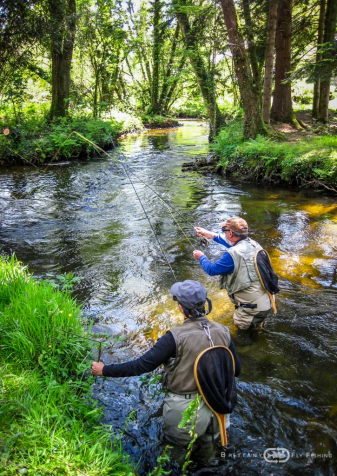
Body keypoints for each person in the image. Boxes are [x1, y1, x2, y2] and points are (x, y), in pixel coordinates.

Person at [91, 280, 240, 446]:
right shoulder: (224, 331)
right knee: (209, 453)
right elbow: (236, 370)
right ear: (205, 303)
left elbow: (142, 365)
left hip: (185, 410)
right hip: (220, 402)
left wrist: (104, 370)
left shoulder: (173, 337)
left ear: (181, 308)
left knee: (175, 457)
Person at [193, 216, 271, 330]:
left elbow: (211, 270)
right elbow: (229, 243)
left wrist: (201, 257)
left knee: (242, 342)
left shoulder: (232, 255)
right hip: (265, 301)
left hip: (251, 310)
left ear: (230, 234)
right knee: (256, 331)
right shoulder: (253, 244)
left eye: (224, 230)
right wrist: (207, 233)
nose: (223, 233)